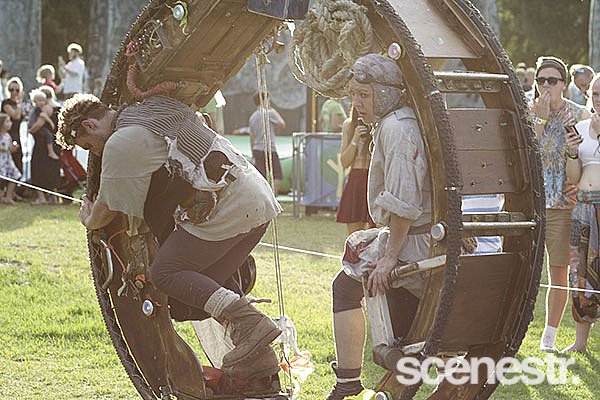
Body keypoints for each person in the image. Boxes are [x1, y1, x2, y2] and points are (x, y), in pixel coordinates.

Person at [56, 94, 282, 382]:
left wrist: (89, 219)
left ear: (90, 125)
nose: (95, 153)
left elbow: (108, 207)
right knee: (198, 292)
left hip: (228, 205)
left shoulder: (122, 140)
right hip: (255, 196)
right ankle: (259, 361)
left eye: (89, 146)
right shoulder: (153, 108)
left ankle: (252, 325)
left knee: (164, 273)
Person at [327, 54, 431, 399]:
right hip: (421, 236)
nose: (357, 104)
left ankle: (347, 383)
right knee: (354, 261)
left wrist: (389, 258)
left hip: (416, 243)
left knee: (345, 287)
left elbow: (404, 204)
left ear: (386, 93)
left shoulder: (396, 128)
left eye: (365, 95)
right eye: (353, 94)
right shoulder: (402, 120)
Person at [530, 56, 591, 352]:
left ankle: (549, 338)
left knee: (558, 272)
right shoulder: (528, 112)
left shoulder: (579, 115)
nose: (545, 86)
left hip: (564, 205)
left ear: (563, 84)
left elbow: (584, 159)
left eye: (552, 81)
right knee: (523, 271)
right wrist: (539, 120)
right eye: (540, 80)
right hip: (531, 204)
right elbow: (527, 154)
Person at [564, 73, 600, 352]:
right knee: (580, 274)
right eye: (596, 94)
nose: (599, 99)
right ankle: (580, 342)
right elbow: (574, 176)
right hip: (584, 208)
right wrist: (572, 153)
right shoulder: (581, 127)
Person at [335, 109, 375, 235]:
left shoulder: (380, 123)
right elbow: (345, 162)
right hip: (356, 178)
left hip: (375, 178)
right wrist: (355, 139)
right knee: (355, 235)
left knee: (377, 231)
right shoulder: (349, 125)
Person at [248, 91, 286, 194]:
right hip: (269, 149)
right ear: (264, 100)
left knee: (261, 175)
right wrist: (273, 110)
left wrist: (253, 152)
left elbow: (252, 137)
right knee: (277, 175)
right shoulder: (270, 113)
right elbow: (282, 125)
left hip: (257, 149)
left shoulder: (252, 117)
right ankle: (273, 196)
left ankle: (262, 195)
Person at [1, 77, 25, 174]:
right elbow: (16, 116)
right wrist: (19, 103)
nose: (14, 92)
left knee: (18, 160)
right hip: (8, 134)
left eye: (17, 90)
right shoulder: (6, 103)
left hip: (17, 134)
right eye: (11, 89)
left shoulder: (18, 104)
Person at [0, 113, 21, 204]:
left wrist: (14, 147)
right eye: (7, 122)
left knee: (14, 176)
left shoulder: (8, 135)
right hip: (1, 160)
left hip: (7, 160)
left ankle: (8, 196)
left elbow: (10, 149)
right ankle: (2, 196)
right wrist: (5, 149)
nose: (10, 123)